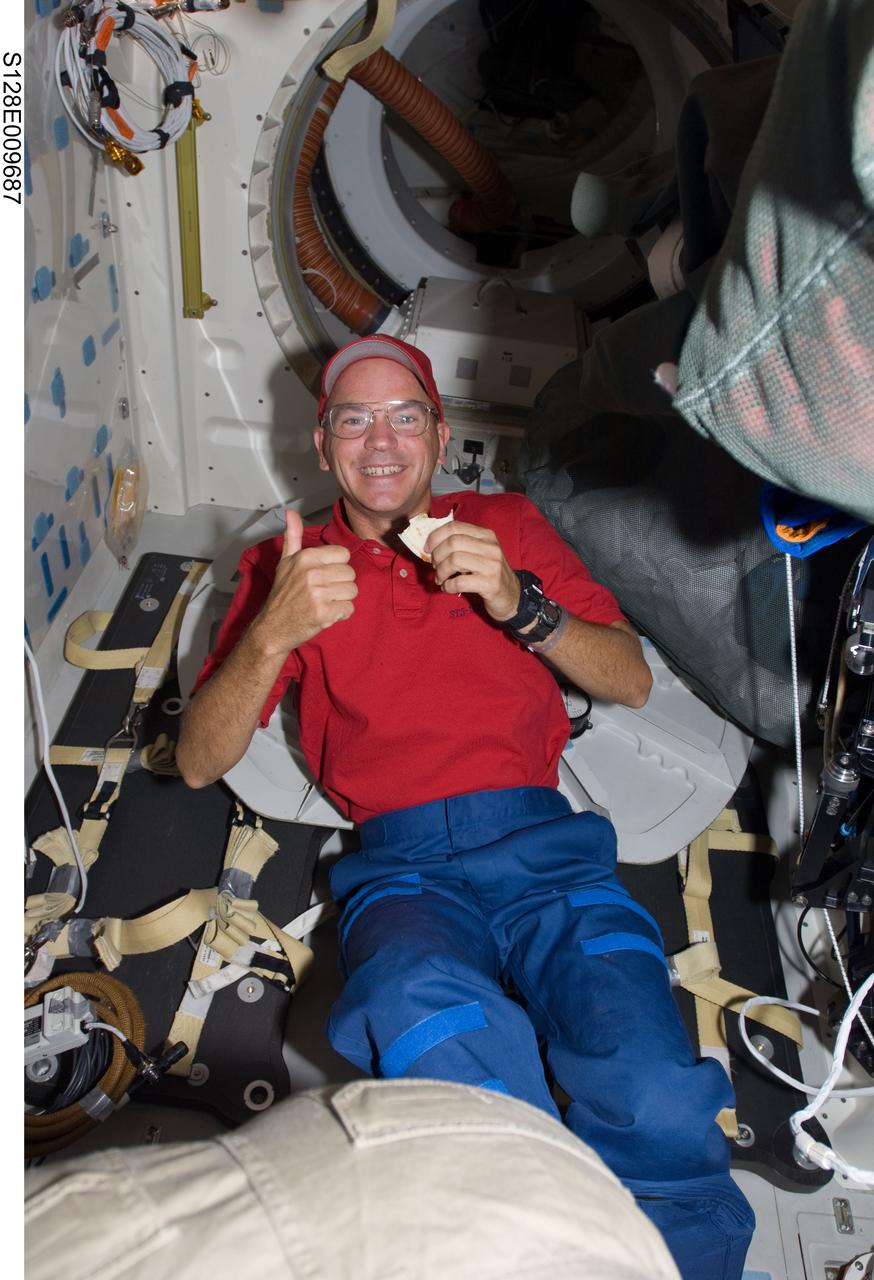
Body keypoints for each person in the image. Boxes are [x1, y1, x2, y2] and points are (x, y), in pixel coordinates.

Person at [177, 334, 754, 1280]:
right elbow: (200, 763)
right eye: (353, 420)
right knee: (439, 1049)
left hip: (547, 850)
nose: (381, 442)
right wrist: (272, 633)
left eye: (405, 416)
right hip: (398, 869)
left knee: (650, 1086)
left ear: (439, 435)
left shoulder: (506, 523)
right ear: (323, 447)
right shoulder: (284, 566)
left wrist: (521, 604)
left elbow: (633, 679)